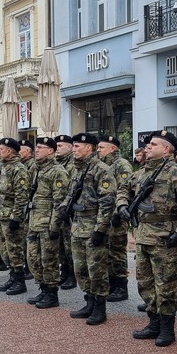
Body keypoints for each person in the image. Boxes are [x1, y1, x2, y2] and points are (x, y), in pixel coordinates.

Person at [125, 130, 177, 345]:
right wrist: (121, 206)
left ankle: (167, 329)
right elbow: (123, 189)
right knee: (145, 284)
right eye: (148, 144)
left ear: (166, 149)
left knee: (166, 287)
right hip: (143, 236)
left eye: (153, 144)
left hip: (165, 238)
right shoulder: (141, 173)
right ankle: (153, 323)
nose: (148, 147)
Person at [60, 133, 117, 324]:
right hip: (77, 225)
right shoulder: (78, 169)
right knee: (81, 269)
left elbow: (107, 202)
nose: (74, 149)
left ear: (89, 148)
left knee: (97, 269)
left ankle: (100, 308)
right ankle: (89, 302)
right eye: (74, 146)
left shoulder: (102, 170)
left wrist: (101, 229)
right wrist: (64, 208)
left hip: (93, 225)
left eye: (78, 146)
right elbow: (71, 193)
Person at [24, 137, 70, 309]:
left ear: (50, 151)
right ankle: (43, 288)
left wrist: (54, 226)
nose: (37, 150)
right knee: (33, 258)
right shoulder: (37, 168)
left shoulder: (58, 171)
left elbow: (60, 201)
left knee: (48, 259)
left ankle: (51, 293)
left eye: (41, 147)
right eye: (37, 147)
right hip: (34, 221)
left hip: (47, 223)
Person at [97, 135, 133, 302]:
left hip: (117, 216)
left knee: (117, 251)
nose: (98, 150)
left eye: (101, 147)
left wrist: (118, 213)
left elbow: (125, 189)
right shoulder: (102, 165)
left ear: (112, 149)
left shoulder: (121, 165)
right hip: (104, 215)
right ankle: (111, 284)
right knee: (107, 250)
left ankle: (121, 286)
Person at [0, 137, 30, 294]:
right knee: (4, 249)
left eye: (0, 150)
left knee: (14, 249)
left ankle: (20, 281)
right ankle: (12, 276)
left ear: (9, 151)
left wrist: (16, 217)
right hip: (1, 214)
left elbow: (22, 196)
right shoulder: (3, 167)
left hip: (11, 216)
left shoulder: (18, 169)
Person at [54, 134, 77, 290]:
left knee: (69, 244)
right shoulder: (57, 163)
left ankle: (72, 274)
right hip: (58, 207)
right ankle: (64, 270)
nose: (57, 148)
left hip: (69, 209)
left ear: (70, 147)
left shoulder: (73, 164)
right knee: (60, 243)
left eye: (60, 146)